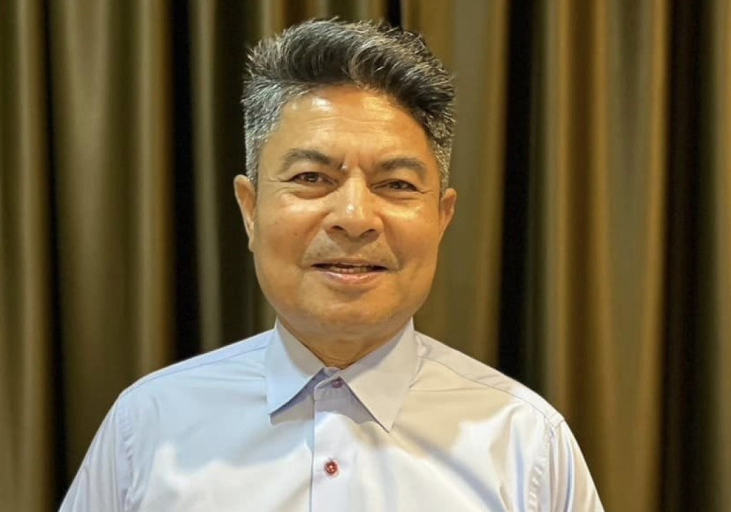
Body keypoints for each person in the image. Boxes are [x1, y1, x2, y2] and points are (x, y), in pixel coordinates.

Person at [60, 19, 603, 511]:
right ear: (250, 210)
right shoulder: (148, 426)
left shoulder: (526, 443)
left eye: (396, 184)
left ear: (442, 217)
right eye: (311, 179)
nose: (354, 217)